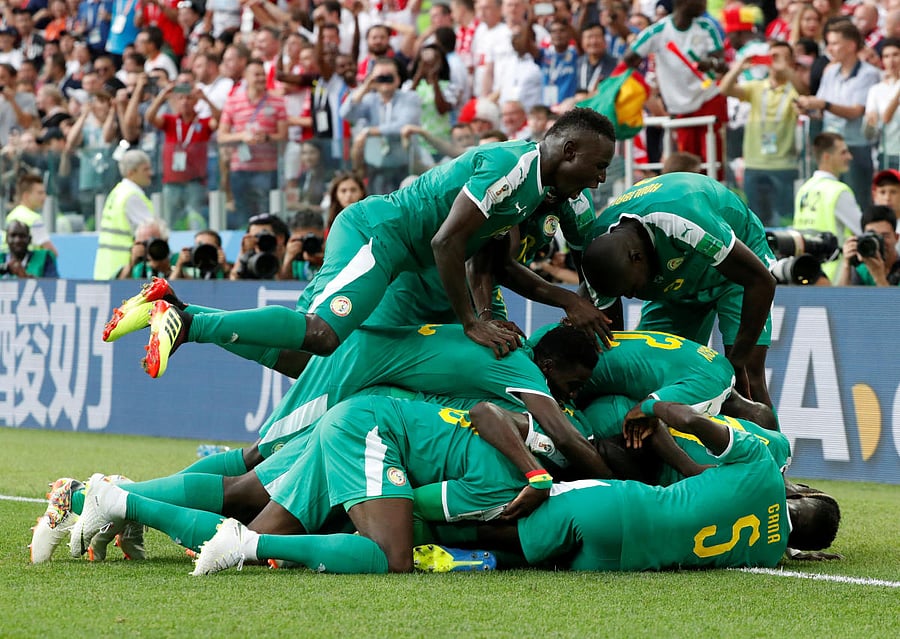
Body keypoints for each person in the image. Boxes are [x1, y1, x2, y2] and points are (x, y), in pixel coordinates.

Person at [113, 108, 617, 376]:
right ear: (568, 149)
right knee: (322, 337)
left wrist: (502, 311)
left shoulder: (536, 188)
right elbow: (447, 244)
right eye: (597, 166)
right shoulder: (512, 167)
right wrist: (470, 322)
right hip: (380, 235)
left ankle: (172, 305)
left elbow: (486, 256)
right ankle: (187, 322)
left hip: (397, 252)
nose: (599, 180)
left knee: (303, 360)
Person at [420, 401, 841, 572]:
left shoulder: (764, 468)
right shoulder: (770, 557)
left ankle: (415, 522)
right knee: (527, 555)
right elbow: (771, 529)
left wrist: (651, 407)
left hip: (617, 507)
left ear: (804, 495)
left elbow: (693, 422)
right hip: (619, 561)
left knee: (509, 519)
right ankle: (469, 559)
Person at [580, 172, 777, 406]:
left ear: (637, 257)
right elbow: (616, 349)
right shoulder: (599, 255)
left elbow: (762, 282)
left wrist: (736, 363)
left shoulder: (681, 219)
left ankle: (771, 443)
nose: (632, 296)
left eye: (630, 288)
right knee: (653, 376)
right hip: (674, 282)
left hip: (735, 272)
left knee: (747, 378)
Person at [624, 0, 728, 177]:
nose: (704, 4)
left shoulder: (706, 27)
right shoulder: (658, 31)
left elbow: (723, 65)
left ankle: (716, 200)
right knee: (689, 166)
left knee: (713, 162)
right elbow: (629, 58)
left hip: (708, 99)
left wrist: (710, 63)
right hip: (680, 107)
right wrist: (647, 87)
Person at [794, 19, 880, 211]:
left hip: (855, 147)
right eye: (828, 43)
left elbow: (856, 111)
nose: (830, 49)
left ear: (850, 45)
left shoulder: (869, 74)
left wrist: (822, 104)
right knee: (830, 202)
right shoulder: (830, 71)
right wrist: (807, 108)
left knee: (858, 202)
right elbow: (822, 109)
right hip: (830, 146)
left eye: (834, 43)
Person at [719, 41, 800, 227]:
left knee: (786, 220)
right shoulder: (756, 87)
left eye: (782, 57)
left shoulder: (794, 88)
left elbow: (806, 91)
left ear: (791, 62)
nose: (776, 61)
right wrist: (740, 66)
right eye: (773, 56)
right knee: (755, 221)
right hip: (754, 163)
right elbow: (725, 89)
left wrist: (786, 71)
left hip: (784, 165)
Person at [217, 58, 288, 227]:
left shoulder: (277, 102)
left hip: (267, 169)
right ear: (245, 77)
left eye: (263, 75)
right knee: (242, 212)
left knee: (266, 212)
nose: (261, 79)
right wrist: (242, 136)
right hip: (239, 169)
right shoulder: (233, 101)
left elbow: (283, 136)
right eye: (256, 75)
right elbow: (221, 136)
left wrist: (267, 137)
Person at [342, 57, 422, 194]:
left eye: (389, 76)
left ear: (398, 78)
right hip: (376, 169)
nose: (384, 80)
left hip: (404, 165)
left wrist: (369, 131)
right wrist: (365, 87)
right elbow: (346, 113)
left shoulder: (410, 97)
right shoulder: (370, 100)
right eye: (380, 77)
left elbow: (403, 125)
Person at [145, 79, 218, 231]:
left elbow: (219, 119)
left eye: (189, 98)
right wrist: (163, 95)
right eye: (181, 98)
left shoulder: (203, 122)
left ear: (195, 101)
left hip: (195, 182)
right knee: (170, 221)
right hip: (172, 182)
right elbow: (150, 117)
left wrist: (206, 98)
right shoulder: (170, 121)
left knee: (195, 219)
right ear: (176, 102)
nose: (185, 102)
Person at [793, 132, 863, 280]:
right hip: (833, 275)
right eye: (843, 152)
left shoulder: (804, 189)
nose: (849, 157)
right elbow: (861, 230)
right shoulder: (839, 191)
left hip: (804, 271)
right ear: (826, 157)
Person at [92, 150, 158, 280]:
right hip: (124, 270)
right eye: (145, 169)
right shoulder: (132, 196)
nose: (151, 173)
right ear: (131, 172)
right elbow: (151, 233)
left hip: (106, 268)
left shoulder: (117, 191)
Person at [835, 205, 900, 287]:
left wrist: (879, 277)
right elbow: (842, 298)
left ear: (896, 237)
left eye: (884, 236)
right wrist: (846, 266)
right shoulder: (861, 270)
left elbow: (892, 300)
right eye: (873, 236)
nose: (879, 242)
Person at [863, 38, 900, 171]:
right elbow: (876, 123)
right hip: (887, 153)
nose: (891, 60)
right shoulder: (876, 90)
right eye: (886, 56)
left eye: (896, 55)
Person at [4, 174, 57, 256]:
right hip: (30, 266)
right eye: (40, 193)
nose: (44, 196)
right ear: (26, 196)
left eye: (44, 193)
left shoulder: (11, 216)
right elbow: (51, 252)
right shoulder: (34, 219)